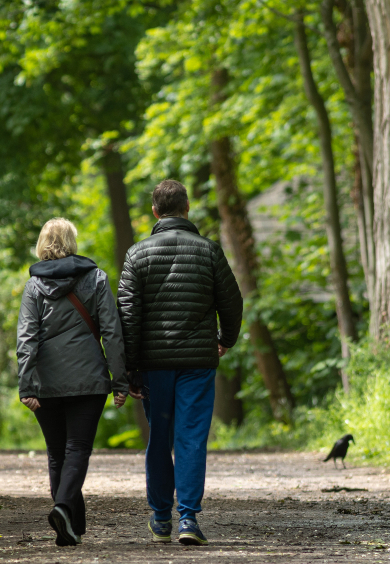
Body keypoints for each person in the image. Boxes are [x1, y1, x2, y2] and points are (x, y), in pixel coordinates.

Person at [118, 179, 243, 546]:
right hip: (196, 363)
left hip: (154, 365)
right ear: (187, 209)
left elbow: (127, 315)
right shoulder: (209, 251)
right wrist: (225, 340)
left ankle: (160, 519)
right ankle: (188, 519)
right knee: (190, 438)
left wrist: (130, 368)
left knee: (160, 438)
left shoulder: (137, 254)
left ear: (154, 212)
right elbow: (232, 303)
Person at [18, 217, 130, 547]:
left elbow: (27, 339)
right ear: (72, 241)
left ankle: (71, 524)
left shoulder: (33, 286)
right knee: (77, 449)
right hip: (89, 380)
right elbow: (112, 333)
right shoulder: (95, 279)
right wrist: (119, 380)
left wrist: (26, 384)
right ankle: (65, 511)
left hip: (46, 382)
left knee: (57, 454)